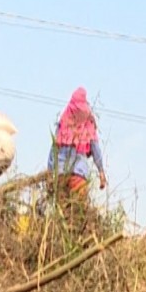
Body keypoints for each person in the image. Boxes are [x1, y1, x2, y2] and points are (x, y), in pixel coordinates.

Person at [47, 87, 107, 223]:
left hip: (61, 174)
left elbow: (54, 148)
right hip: (79, 175)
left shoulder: (64, 120)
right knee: (78, 213)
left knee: (62, 214)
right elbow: (95, 148)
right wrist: (101, 173)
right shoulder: (88, 123)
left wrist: (50, 172)